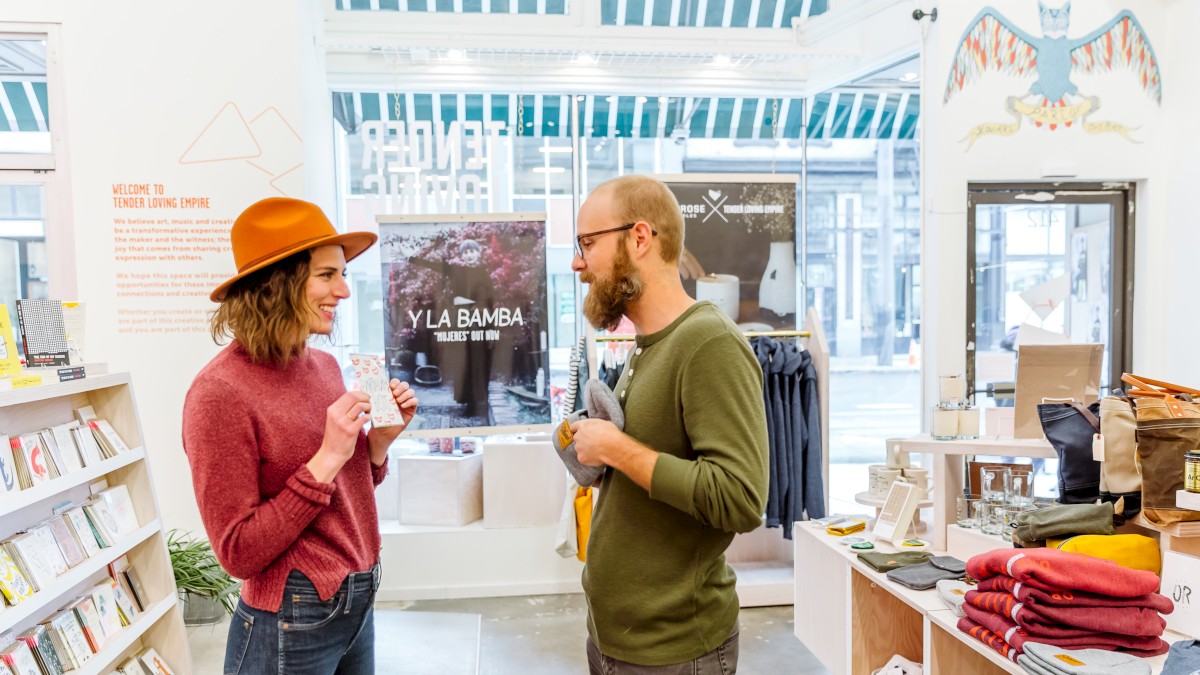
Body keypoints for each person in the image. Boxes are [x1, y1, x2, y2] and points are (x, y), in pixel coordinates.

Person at [182, 197, 418, 674]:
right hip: (290, 616)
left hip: (357, 600)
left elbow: (343, 494)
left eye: (343, 275)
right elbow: (238, 552)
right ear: (277, 285)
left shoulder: (326, 366)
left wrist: (377, 446)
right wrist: (327, 457)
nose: (344, 291)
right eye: (327, 275)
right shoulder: (218, 394)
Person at [569, 175, 770, 673]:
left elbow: (741, 498)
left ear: (639, 238)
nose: (578, 263)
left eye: (588, 244)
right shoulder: (649, 344)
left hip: (676, 649)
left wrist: (617, 449)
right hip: (620, 640)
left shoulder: (709, 343)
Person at [408, 239, 495, 419]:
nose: (469, 255)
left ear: (479, 252)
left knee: (481, 365)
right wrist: (411, 258)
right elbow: (436, 266)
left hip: (482, 325)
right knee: (465, 365)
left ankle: (482, 404)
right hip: (462, 325)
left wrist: (467, 303)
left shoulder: (485, 274)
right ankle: (468, 404)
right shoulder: (458, 271)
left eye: (472, 251)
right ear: (461, 255)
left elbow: (488, 301)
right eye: (465, 252)